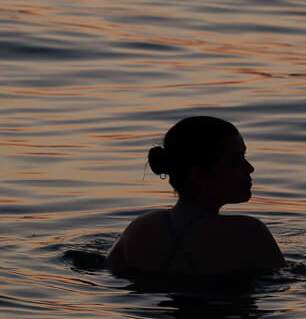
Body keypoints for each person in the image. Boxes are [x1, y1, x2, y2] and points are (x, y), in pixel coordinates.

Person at [106, 116, 284, 277]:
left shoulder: (139, 228)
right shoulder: (249, 232)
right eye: (235, 161)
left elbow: (107, 270)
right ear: (198, 175)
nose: (249, 168)